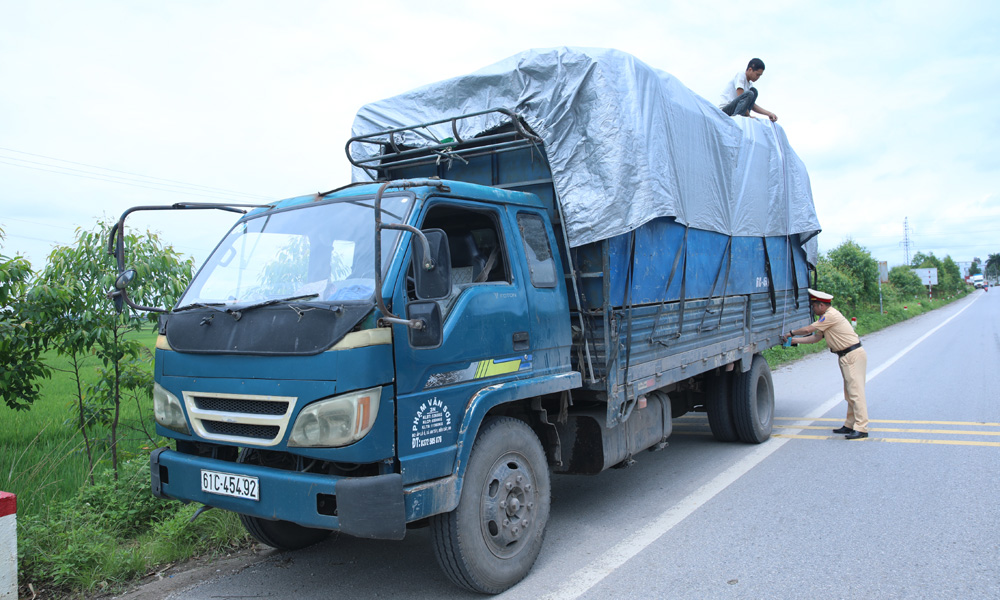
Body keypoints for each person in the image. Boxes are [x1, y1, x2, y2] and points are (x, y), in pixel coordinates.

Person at [780, 289, 869, 439]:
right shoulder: (826, 318)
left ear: (821, 305)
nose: (813, 309)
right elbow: (815, 338)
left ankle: (862, 428)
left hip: (852, 355)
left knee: (856, 392)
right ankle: (850, 424)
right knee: (849, 393)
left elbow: (808, 329)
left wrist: (792, 332)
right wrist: (794, 340)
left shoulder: (830, 315)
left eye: (814, 306)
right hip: (846, 356)